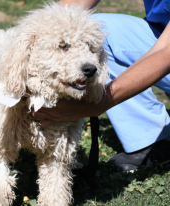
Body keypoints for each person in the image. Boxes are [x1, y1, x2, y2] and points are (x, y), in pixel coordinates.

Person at [32, 0, 170, 171]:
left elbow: (166, 50)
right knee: (101, 29)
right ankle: (150, 138)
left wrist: (103, 101)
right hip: (163, 30)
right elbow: (72, 6)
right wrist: (26, 35)